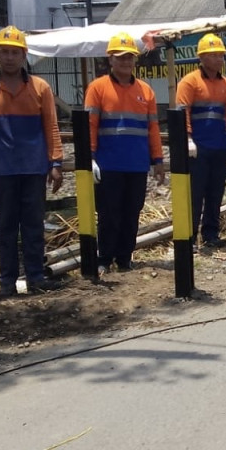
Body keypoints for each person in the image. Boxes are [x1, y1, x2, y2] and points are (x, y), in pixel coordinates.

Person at [0, 25, 64, 298]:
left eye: (15, 52)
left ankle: (36, 278)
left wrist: (55, 163)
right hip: (2, 170)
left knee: (34, 225)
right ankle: (6, 283)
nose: (10, 57)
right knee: (6, 227)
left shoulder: (41, 88)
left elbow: (51, 127)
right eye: (5, 52)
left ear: (24, 55)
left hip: (34, 168)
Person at [86, 32, 165, 272]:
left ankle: (124, 258)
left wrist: (158, 160)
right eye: (120, 58)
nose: (125, 62)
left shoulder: (146, 92)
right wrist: (89, 158)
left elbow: (153, 128)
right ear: (111, 59)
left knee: (132, 213)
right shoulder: (97, 89)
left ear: (135, 60)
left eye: (129, 58)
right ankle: (104, 259)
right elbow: (90, 126)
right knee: (109, 214)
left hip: (136, 164)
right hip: (108, 165)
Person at [176, 32, 226, 250]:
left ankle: (211, 235)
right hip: (198, 149)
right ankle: (189, 238)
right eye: (214, 55)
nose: (220, 59)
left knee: (215, 193)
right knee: (195, 194)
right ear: (202, 57)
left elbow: (225, 113)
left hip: (219, 147)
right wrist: (188, 139)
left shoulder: (224, 83)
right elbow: (183, 114)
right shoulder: (189, 82)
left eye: (221, 55)